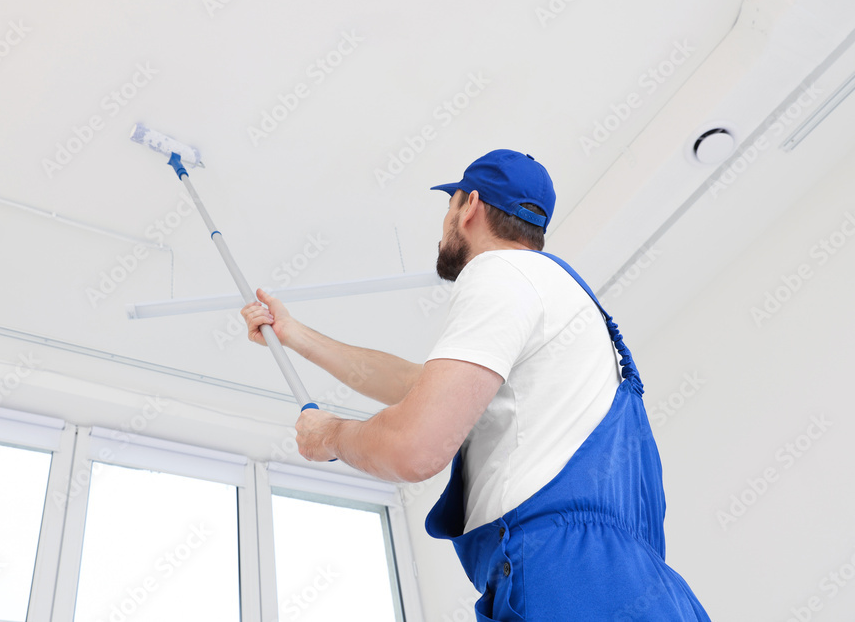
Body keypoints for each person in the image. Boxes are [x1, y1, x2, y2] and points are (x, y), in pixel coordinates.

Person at [241, 149, 711, 620]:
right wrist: (294, 335)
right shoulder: (558, 302)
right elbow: (421, 387)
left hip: (566, 576)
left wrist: (331, 436)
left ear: (471, 207)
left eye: (450, 206)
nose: (445, 221)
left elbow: (414, 449)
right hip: (641, 587)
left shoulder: (499, 272)